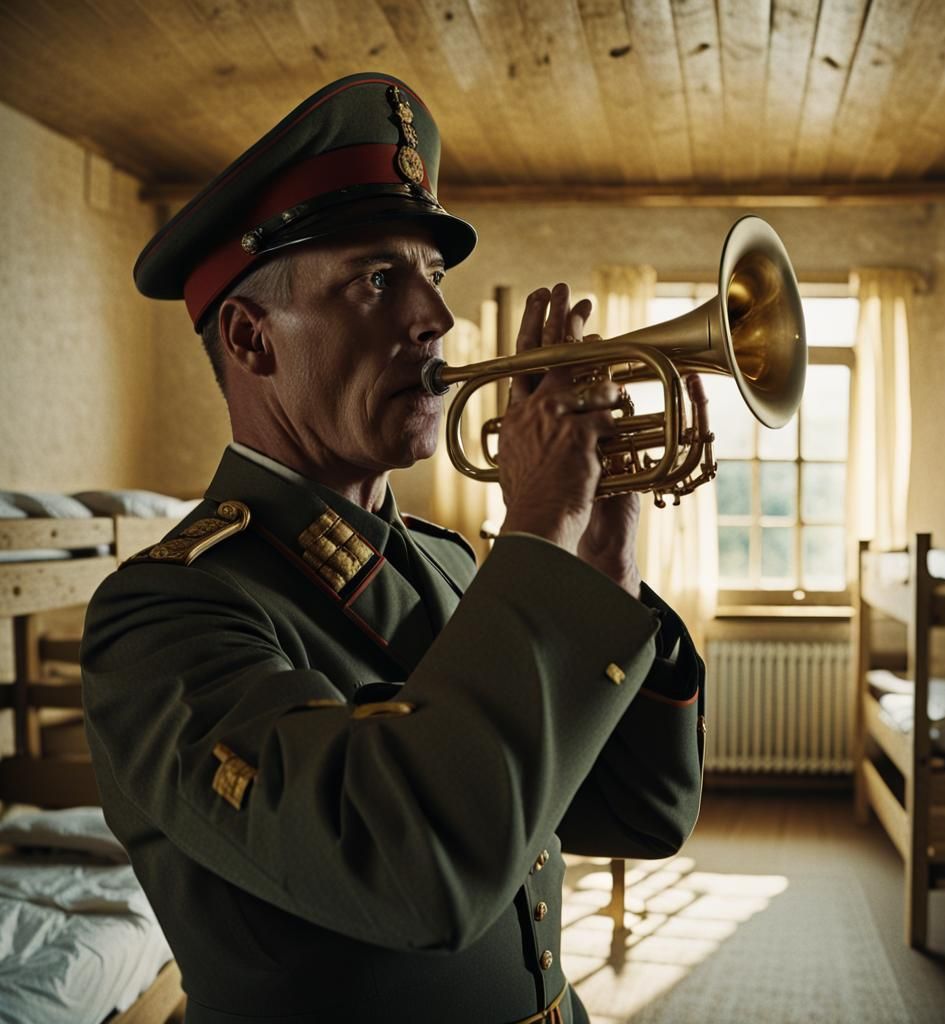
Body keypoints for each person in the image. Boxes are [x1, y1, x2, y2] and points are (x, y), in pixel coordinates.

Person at [81, 72, 705, 1024]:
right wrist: (538, 536)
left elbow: (640, 812)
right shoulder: (163, 616)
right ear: (251, 339)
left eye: (434, 277)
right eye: (379, 280)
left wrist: (605, 569)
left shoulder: (456, 565)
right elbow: (420, 872)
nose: (439, 321)